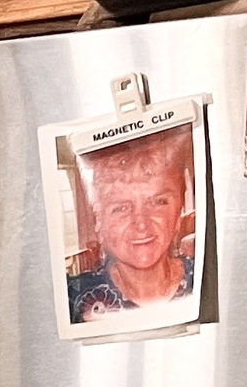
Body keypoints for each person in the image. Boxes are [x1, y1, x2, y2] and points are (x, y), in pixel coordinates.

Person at [64, 124, 195, 319]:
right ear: (99, 222)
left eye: (158, 202)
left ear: (178, 213)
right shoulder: (73, 299)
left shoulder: (209, 277)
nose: (141, 224)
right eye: (121, 208)